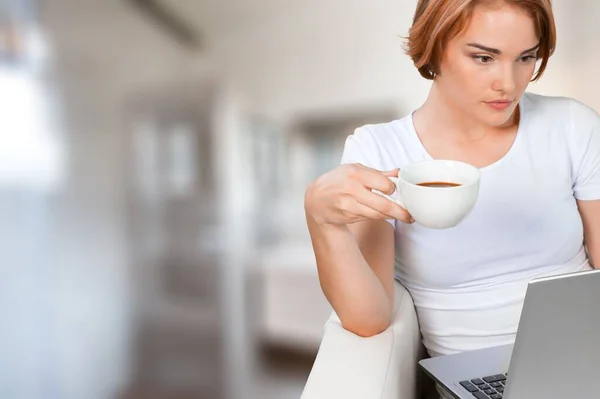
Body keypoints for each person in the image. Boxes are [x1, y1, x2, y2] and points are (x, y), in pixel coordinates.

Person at [304, 0, 600, 396]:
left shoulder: (572, 126)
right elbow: (368, 320)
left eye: (526, 57)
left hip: (586, 360)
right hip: (483, 385)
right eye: (483, 57)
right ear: (435, 45)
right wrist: (322, 221)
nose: (508, 84)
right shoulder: (381, 150)